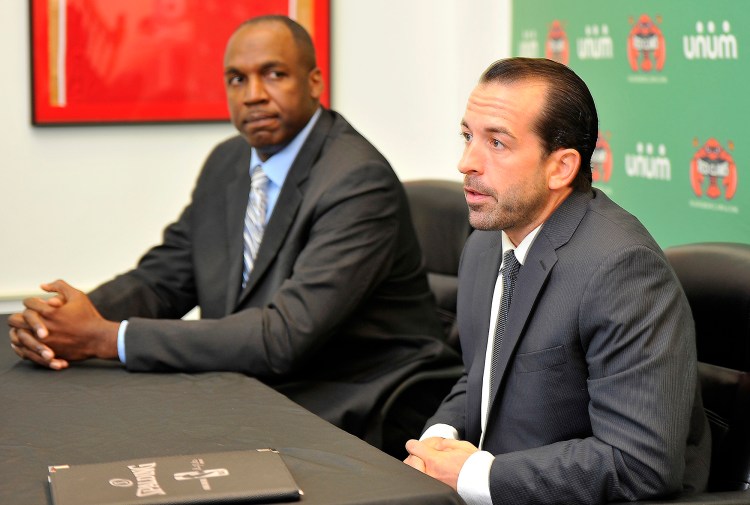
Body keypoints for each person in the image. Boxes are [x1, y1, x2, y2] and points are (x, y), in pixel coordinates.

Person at [7, 15, 457, 442]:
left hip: (363, 396)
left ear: (314, 82)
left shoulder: (356, 179)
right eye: (237, 79)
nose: (253, 94)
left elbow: (283, 336)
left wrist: (107, 338)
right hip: (261, 382)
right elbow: (164, 279)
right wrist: (65, 320)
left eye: (274, 74)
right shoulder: (227, 163)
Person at [403, 57, 711, 504]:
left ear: (561, 167)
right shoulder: (486, 245)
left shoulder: (622, 269)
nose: (466, 162)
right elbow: (485, 376)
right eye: (468, 136)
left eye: (497, 143)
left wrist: (472, 474)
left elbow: (639, 465)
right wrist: (437, 441)